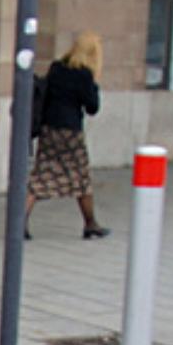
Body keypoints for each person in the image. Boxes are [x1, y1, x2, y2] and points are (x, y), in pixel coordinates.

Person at [26, 31, 108, 240]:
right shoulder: (84, 75)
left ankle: (20, 221)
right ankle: (90, 223)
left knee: (41, 175)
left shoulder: (57, 67)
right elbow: (92, 107)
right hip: (70, 131)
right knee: (80, 176)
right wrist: (94, 84)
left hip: (49, 128)